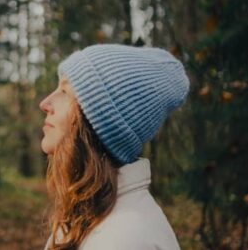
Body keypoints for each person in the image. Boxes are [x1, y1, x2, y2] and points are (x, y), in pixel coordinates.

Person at [39, 44, 189, 250]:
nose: (45, 103)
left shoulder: (124, 238)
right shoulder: (89, 214)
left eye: (65, 91)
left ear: (99, 121)